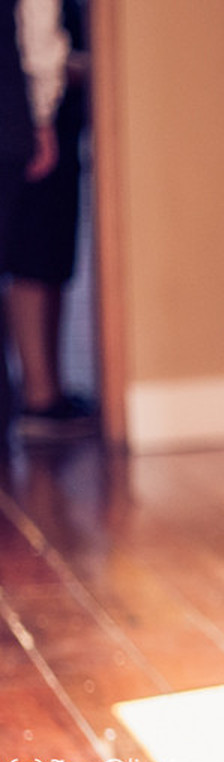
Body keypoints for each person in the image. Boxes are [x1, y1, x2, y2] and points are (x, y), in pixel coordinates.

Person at [3, 0, 92, 441]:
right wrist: (40, 115)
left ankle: (40, 394)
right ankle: (41, 395)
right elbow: (39, 23)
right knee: (35, 246)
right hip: (19, 113)